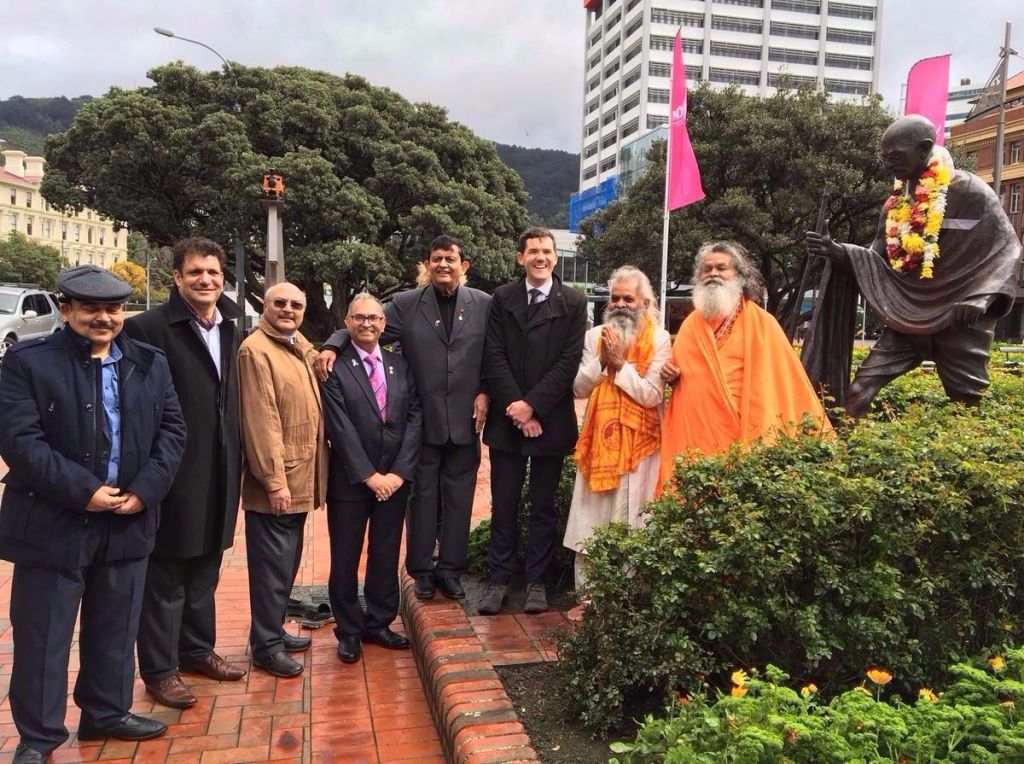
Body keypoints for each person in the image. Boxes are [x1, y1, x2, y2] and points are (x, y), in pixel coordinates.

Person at [0, 265, 186, 763]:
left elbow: (172, 432)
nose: (103, 318)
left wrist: (145, 491)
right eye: (91, 309)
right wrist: (85, 491)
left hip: (127, 519)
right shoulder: (27, 362)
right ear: (67, 310)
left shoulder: (149, 362)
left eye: (113, 309)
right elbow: (20, 441)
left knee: (116, 626)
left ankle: (106, 712)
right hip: (54, 522)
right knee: (44, 636)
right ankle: (38, 738)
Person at [806, 114, 1021, 417]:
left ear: (924, 149)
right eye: (884, 158)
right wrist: (836, 251)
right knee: (859, 391)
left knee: (967, 404)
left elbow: (1007, 249)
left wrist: (981, 299)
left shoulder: (972, 191)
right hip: (907, 318)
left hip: (959, 317)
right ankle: (844, 457)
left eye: (895, 155)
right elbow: (875, 258)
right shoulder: (896, 204)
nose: (888, 164)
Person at [316, 235, 489, 602]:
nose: (444, 265)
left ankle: (451, 570)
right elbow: (365, 325)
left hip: (464, 422)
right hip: (420, 421)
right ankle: (422, 570)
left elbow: (496, 352)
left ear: (465, 265)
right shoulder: (407, 304)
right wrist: (332, 344)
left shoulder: (484, 305)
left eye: (451, 259)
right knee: (421, 499)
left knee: (460, 499)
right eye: (436, 258)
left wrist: (486, 391)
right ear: (426, 264)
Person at [123, 237, 247, 708]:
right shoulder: (147, 329)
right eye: (196, 272)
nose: (206, 280)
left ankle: (197, 650)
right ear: (177, 277)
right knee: (167, 572)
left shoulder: (231, 328)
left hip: (220, 464)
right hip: (172, 468)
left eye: (214, 273)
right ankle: (159, 669)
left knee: (207, 565)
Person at [658, 242, 831, 491]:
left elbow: (783, 386)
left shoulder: (763, 324)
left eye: (721, 268)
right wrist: (671, 377)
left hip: (744, 439)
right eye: (707, 269)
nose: (713, 274)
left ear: (738, 276)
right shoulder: (689, 327)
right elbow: (685, 376)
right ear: (698, 276)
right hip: (694, 442)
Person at [479, 226, 587, 615]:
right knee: (503, 505)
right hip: (509, 421)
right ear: (519, 257)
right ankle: (498, 580)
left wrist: (535, 407)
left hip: (551, 420)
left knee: (543, 506)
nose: (540, 257)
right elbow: (494, 356)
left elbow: (568, 362)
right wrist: (518, 409)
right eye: (533, 251)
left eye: (547, 251)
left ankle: (537, 581)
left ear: (556, 257)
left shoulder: (573, 302)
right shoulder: (503, 299)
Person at [320, 293, 422, 664]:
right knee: (345, 557)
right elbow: (339, 426)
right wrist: (368, 475)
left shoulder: (400, 364)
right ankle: (348, 631)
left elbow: (414, 417)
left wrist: (397, 473)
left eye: (374, 318)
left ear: (383, 323)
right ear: (347, 322)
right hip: (351, 482)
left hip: (394, 481)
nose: (367, 324)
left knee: (385, 552)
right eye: (359, 318)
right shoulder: (333, 366)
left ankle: (379, 622)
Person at [237, 283, 328, 678]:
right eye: (280, 303)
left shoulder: (291, 345)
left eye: (296, 304)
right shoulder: (255, 352)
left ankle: (272, 631)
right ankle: (266, 647)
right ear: (264, 306)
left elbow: (307, 347)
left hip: (301, 476)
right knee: (270, 568)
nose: (288, 309)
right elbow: (262, 422)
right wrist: (274, 480)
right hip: (279, 482)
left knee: (285, 564)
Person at [563, 266, 671, 594]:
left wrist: (620, 365)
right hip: (600, 441)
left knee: (635, 519)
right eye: (616, 298)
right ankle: (591, 597)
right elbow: (579, 388)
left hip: (642, 444)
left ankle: (631, 596)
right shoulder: (594, 337)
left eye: (629, 299)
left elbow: (651, 395)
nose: (621, 304)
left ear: (645, 302)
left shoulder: (660, 339)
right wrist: (603, 362)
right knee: (591, 520)